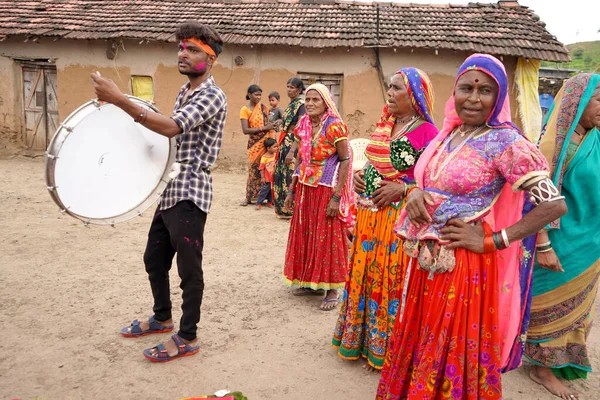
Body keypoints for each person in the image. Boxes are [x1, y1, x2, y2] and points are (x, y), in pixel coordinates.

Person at [376, 54, 567, 399]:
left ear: (500, 97)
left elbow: (554, 204)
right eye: (466, 88)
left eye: (486, 91)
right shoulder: (448, 134)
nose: (474, 98)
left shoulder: (506, 142)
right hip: (424, 261)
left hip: (463, 265)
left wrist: (495, 239)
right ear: (455, 91)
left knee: (449, 344)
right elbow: (433, 183)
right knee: (422, 337)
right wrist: (413, 190)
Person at [91, 21, 226, 362]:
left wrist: (119, 99)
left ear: (211, 60)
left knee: (189, 269)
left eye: (193, 49)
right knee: (154, 259)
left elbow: (170, 127)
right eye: (182, 47)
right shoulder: (186, 91)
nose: (183, 53)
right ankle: (163, 318)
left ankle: (188, 336)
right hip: (170, 187)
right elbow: (167, 136)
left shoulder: (212, 94)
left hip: (191, 190)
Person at [332, 68, 438, 371]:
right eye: (388, 88)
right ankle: (362, 341)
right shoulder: (386, 124)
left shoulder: (428, 133)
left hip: (399, 221)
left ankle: (391, 347)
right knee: (366, 275)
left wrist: (403, 187)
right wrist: (361, 175)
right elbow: (376, 162)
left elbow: (434, 183)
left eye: (396, 89)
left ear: (415, 96)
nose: (389, 94)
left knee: (390, 280)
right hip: (370, 216)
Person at [525, 73, 600, 400]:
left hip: (590, 242)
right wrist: (542, 245)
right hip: (561, 243)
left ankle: (562, 361)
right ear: (578, 101)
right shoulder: (556, 146)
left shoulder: (594, 139)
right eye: (598, 99)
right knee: (549, 306)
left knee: (579, 311)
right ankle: (542, 368)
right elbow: (536, 197)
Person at [282, 83, 353, 311]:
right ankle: (310, 281)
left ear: (326, 103)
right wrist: (292, 190)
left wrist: (337, 197)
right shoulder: (303, 124)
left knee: (327, 235)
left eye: (316, 100)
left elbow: (344, 160)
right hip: (305, 187)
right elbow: (301, 157)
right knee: (307, 233)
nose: (310, 104)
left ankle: (332, 288)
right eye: (308, 100)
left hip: (326, 187)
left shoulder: (335, 127)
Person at [273, 78, 306, 219]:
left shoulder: (301, 105)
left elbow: (301, 127)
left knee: (289, 174)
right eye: (287, 86)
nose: (288, 89)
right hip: (285, 141)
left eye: (292, 87)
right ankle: (282, 208)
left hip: (293, 142)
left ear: (299, 90)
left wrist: (292, 150)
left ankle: (290, 208)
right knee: (281, 173)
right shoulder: (291, 104)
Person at [239, 84, 275, 206]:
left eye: (260, 94)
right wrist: (264, 128)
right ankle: (249, 197)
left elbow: (270, 124)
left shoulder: (264, 108)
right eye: (256, 94)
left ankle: (266, 198)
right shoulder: (245, 110)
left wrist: (273, 127)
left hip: (266, 144)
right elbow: (245, 130)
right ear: (249, 95)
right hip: (254, 145)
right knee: (253, 170)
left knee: (266, 170)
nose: (259, 97)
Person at [256, 137, 278, 210]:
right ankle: (258, 203)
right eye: (275, 147)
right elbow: (261, 168)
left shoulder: (276, 155)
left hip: (273, 178)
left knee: (271, 191)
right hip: (267, 178)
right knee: (263, 191)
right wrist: (263, 177)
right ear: (268, 148)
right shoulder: (264, 157)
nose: (276, 148)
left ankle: (270, 202)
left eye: (277, 146)